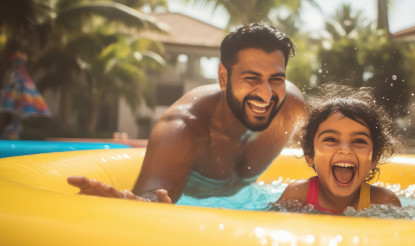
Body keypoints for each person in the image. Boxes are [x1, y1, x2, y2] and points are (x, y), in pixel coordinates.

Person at [68, 23, 306, 203]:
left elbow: (321, 153)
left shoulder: (290, 108)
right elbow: (152, 197)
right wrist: (136, 205)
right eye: (251, 78)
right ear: (224, 77)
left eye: (276, 79)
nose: (266, 95)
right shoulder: (183, 129)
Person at [276, 85, 401, 214]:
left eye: (359, 141)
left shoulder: (382, 202)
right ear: (309, 154)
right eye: (331, 139)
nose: (345, 150)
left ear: (375, 158)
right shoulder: (298, 195)